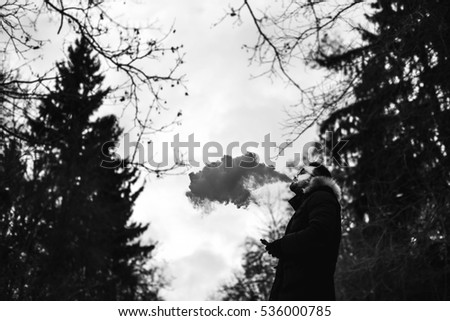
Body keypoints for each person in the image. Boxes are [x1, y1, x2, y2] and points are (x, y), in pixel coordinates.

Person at [261, 162, 342, 300]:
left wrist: (283, 245)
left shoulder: (322, 197)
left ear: (314, 178)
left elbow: (319, 234)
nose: (296, 175)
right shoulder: (311, 202)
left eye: (302, 172)